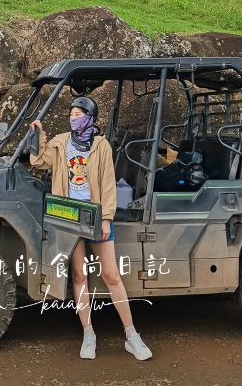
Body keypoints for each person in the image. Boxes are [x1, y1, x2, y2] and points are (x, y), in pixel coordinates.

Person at [29, 97, 153, 362]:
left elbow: (108, 183)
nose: (73, 117)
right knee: (79, 277)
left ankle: (131, 335)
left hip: (96, 215)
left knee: (111, 275)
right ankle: (88, 334)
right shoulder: (61, 142)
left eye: (79, 113)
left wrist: (107, 218)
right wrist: (39, 134)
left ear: (89, 117)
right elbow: (40, 162)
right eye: (71, 113)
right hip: (69, 214)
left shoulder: (100, 145)